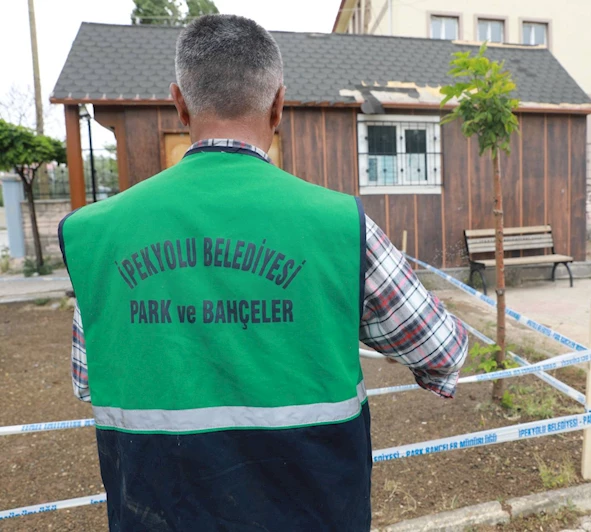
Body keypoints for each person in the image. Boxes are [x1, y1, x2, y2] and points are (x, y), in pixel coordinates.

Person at [59, 14, 467, 532]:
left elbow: (88, 381)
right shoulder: (340, 225)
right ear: (278, 105)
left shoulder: (96, 234)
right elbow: (442, 351)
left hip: (158, 515)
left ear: (179, 103)